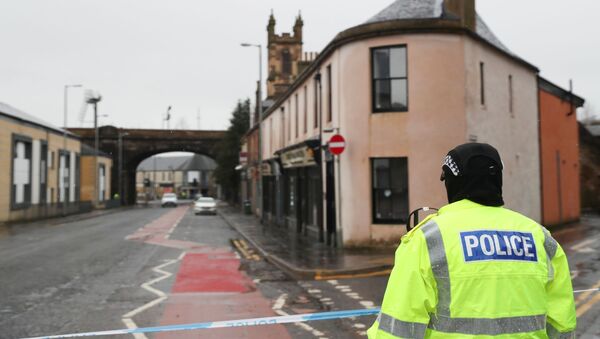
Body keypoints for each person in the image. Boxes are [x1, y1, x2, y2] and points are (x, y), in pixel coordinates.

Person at [368, 143, 576, 338]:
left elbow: (396, 329)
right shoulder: (540, 238)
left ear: (452, 182)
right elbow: (561, 324)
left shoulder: (427, 239)